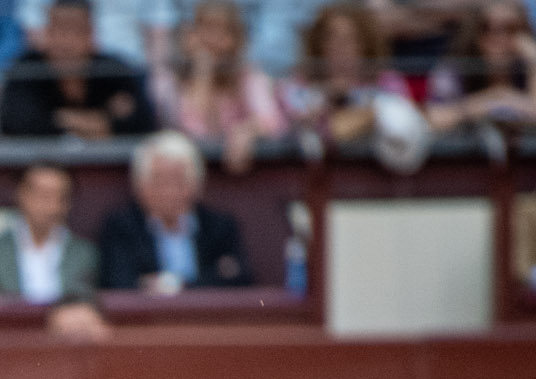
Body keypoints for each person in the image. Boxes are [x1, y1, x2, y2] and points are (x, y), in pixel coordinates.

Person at [97, 129, 253, 288]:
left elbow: (238, 280)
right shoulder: (121, 227)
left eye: (178, 181)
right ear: (139, 186)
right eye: (160, 181)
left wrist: (172, 286)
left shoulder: (219, 227)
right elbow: (118, 282)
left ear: (197, 185)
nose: (169, 191)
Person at [0, 163, 111, 336]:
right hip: (9, 340)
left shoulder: (85, 253)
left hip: (67, 343)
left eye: (60, 197)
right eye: (42, 195)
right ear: (21, 194)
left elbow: (86, 301)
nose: (51, 205)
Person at [153, 0, 290, 172]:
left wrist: (246, 131)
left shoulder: (249, 77)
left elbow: (273, 122)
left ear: (236, 38)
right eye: (207, 29)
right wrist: (203, 76)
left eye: (223, 31)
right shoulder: (172, 81)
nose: (213, 40)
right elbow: (194, 131)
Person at [0, 0, 157, 137]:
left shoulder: (114, 71)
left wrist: (62, 119)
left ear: (91, 35)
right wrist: (98, 122)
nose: (66, 44)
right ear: (46, 34)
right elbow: (17, 125)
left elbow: (143, 123)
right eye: (59, 31)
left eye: (75, 31)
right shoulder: (27, 70)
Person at [280, 2, 413, 142]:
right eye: (332, 38)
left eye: (350, 39)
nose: (340, 47)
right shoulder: (299, 83)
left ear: (365, 44)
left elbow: (405, 121)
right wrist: (330, 96)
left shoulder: (387, 80)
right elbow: (292, 125)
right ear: (319, 43)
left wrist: (359, 110)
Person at [426, 1, 536, 129]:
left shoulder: (529, 65)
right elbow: (436, 119)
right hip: (468, 140)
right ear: (474, 33)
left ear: (524, 32)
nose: (498, 37)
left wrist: (533, 62)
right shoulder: (455, 68)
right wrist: (492, 98)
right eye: (486, 28)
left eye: (509, 28)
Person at [15, 0, 171, 71]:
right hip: (61, 70)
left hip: (131, 69)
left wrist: (158, 74)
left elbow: (158, 29)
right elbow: (35, 34)